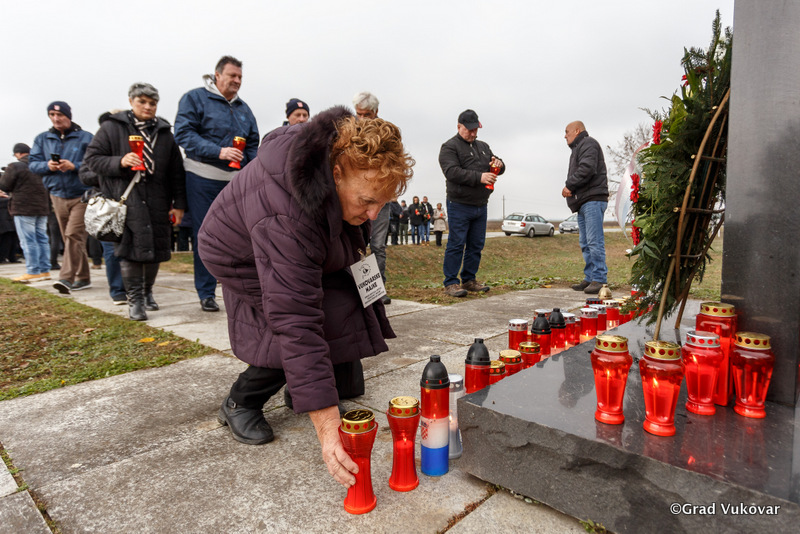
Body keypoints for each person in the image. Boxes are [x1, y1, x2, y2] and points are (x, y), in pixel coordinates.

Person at [198, 107, 413, 489]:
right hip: (237, 253)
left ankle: (304, 394)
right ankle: (240, 402)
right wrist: (328, 427)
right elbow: (295, 319)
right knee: (298, 325)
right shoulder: (287, 213)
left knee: (343, 304)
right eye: (367, 201)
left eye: (382, 203)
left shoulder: (332, 167)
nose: (373, 214)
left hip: (294, 236)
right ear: (335, 174)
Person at [84, 83, 187, 320]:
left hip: (158, 199)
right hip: (126, 198)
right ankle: (135, 300)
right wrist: (120, 162)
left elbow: (176, 172)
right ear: (131, 101)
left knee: (155, 249)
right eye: (142, 102)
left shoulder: (164, 133)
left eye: (152, 103)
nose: (148, 107)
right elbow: (92, 159)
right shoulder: (112, 127)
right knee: (130, 250)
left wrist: (179, 204)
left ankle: (148, 292)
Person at [174, 56, 259, 312]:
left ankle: (239, 289)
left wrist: (251, 170)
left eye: (240, 77)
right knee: (205, 234)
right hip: (201, 177)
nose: (237, 81)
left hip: (234, 182)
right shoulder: (194, 98)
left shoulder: (244, 109)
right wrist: (218, 151)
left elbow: (253, 144)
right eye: (232, 75)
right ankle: (206, 292)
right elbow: (183, 133)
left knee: (238, 236)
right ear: (217, 75)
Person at [29, 101, 94, 294]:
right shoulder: (42, 139)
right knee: (71, 239)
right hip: (57, 194)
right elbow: (32, 164)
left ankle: (66, 278)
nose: (56, 118)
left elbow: (94, 164)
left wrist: (74, 166)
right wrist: (47, 166)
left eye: (60, 115)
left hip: (81, 194)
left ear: (68, 116)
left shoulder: (86, 138)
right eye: (52, 115)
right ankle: (83, 277)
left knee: (73, 234)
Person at [439, 109, 504, 297]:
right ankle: (451, 282)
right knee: (456, 244)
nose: (473, 133)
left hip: (480, 204)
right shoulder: (449, 147)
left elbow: (498, 164)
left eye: (476, 129)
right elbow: (452, 172)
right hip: (459, 204)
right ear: (459, 126)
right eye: (470, 130)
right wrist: (479, 177)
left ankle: (469, 280)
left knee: (476, 245)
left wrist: (500, 164)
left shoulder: (483, 146)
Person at [79, 110, 127, 305]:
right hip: (108, 204)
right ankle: (117, 289)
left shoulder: (131, 143)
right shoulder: (97, 146)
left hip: (133, 201)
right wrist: (114, 168)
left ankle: (137, 288)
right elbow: (85, 174)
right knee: (111, 247)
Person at [562, 121, 609, 295]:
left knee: (594, 241)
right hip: (583, 201)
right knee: (585, 243)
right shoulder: (578, 148)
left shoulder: (588, 143)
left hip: (593, 200)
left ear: (577, 131)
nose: (565, 136)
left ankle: (599, 279)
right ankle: (590, 278)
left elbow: (587, 169)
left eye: (567, 132)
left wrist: (569, 185)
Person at [353, 91, 391, 305]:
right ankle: (356, 289)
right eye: (359, 114)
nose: (362, 119)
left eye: (366, 114)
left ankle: (378, 290)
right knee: (355, 244)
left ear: (376, 112)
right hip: (355, 198)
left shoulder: (387, 133)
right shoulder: (349, 131)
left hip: (379, 198)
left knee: (378, 246)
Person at [0, 143, 50, 281]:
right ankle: (45, 270)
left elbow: (4, 185)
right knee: (42, 239)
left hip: (23, 207)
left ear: (18, 153)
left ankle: (33, 270)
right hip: (42, 207)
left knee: (28, 240)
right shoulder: (41, 166)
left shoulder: (15, 166)